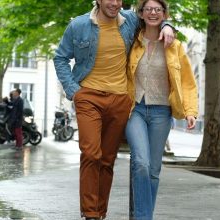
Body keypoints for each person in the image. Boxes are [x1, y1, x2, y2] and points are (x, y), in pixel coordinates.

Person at [53, 0, 175, 219]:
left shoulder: (129, 21)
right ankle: (90, 213)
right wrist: (74, 90)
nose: (115, 3)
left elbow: (154, 18)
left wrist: (168, 27)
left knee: (107, 159)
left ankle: (100, 212)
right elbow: (60, 57)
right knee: (91, 153)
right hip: (88, 96)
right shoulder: (79, 25)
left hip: (120, 99)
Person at [125, 0, 199, 219]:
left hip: (162, 112)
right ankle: (143, 217)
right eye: (148, 9)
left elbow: (187, 81)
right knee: (141, 164)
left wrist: (190, 111)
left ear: (165, 14)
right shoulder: (132, 41)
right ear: (141, 13)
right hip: (135, 109)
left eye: (158, 9)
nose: (153, 13)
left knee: (154, 171)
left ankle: (142, 214)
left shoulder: (174, 46)